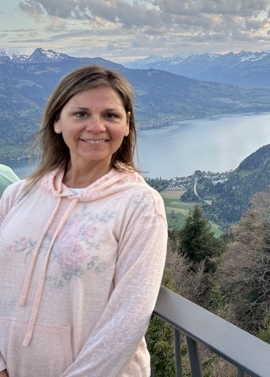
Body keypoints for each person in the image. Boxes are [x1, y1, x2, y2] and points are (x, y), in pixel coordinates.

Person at [0, 65, 168, 377]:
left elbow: (129, 316)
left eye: (110, 115)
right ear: (57, 121)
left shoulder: (140, 205)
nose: (96, 126)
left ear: (127, 125)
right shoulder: (17, 196)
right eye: (81, 114)